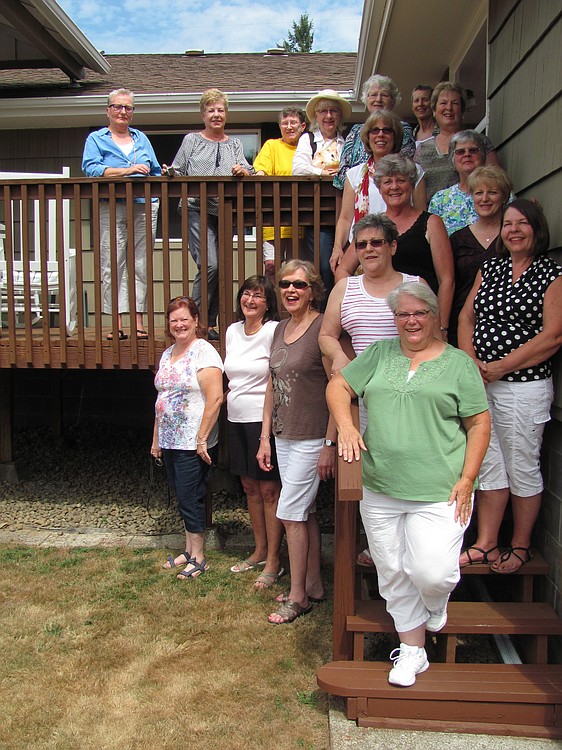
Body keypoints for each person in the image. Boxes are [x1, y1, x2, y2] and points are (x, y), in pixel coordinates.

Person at [327, 281, 490, 686]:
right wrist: (346, 426)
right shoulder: (380, 354)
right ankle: (413, 651)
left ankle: (435, 603)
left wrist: (468, 478)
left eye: (419, 313)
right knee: (393, 571)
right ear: (395, 320)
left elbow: (479, 423)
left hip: (439, 490)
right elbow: (338, 386)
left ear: (435, 317)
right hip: (380, 486)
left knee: (432, 572)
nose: (411, 321)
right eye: (403, 314)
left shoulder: (459, 364)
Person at [458, 199, 562, 573]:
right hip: (481, 383)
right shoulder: (492, 267)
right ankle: (486, 543)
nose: (514, 230)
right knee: (488, 464)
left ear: (537, 230)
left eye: (522, 224)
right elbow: (466, 316)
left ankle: (519, 546)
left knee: (521, 466)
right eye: (508, 224)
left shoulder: (552, 274)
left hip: (523, 387)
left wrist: (501, 367)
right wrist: (471, 362)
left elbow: (552, 336)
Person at [320, 213, 422, 569]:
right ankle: (379, 548)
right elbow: (327, 334)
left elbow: (432, 337)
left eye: (376, 242)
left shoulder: (413, 284)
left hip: (408, 397)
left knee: (406, 467)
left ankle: (412, 550)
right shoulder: (345, 288)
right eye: (360, 244)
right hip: (362, 398)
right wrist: (340, 359)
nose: (368, 249)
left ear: (392, 246)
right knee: (370, 474)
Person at [257, 260, 336, 623]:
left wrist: (330, 443)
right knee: (305, 512)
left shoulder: (323, 328)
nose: (291, 290)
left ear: (313, 291)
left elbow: (341, 385)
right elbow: (272, 385)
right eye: (285, 284)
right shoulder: (279, 329)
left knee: (289, 512)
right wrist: (264, 437)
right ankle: (315, 584)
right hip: (283, 435)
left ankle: (298, 596)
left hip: (312, 435)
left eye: (300, 285)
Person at [165, 89, 255, 341]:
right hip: (196, 209)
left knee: (220, 268)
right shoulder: (192, 140)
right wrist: (169, 172)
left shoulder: (235, 144)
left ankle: (210, 323)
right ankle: (197, 321)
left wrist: (243, 171)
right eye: (211, 110)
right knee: (210, 264)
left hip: (224, 213)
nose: (216, 115)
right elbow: (178, 170)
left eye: (221, 110)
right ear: (203, 114)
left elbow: (249, 170)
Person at [334, 154, 454, 340]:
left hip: (418, 318)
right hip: (379, 318)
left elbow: (446, 279)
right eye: (387, 182)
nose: (394, 187)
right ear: (380, 188)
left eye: (401, 180)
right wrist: (355, 302)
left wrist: (442, 327)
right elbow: (343, 270)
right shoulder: (372, 226)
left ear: (412, 185)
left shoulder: (431, 223)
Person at [152, 296, 223, 579]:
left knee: (190, 497)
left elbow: (215, 398)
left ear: (196, 321)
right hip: (169, 439)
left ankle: (200, 556)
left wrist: (202, 439)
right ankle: (188, 550)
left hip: (192, 442)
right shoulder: (168, 353)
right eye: (174, 321)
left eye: (185, 319)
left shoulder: (204, 352)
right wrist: (155, 439)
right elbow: (161, 399)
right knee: (181, 496)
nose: (179, 325)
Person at [82, 88, 161, 341]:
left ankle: (137, 323)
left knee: (140, 264)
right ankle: (115, 324)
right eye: (117, 106)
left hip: (143, 206)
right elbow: (91, 169)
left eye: (128, 108)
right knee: (112, 264)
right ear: (108, 110)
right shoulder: (96, 138)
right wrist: (126, 171)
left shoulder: (141, 138)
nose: (122, 112)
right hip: (111, 205)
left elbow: (156, 170)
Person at [224, 276, 284, 588]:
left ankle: (275, 559)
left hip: (264, 422)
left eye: (258, 296)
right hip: (235, 418)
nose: (250, 300)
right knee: (249, 487)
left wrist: (266, 432)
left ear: (268, 303)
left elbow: (275, 377)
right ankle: (259, 549)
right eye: (246, 294)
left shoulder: (273, 330)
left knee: (269, 490)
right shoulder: (232, 331)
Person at [329, 112, 426, 274]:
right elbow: (345, 219)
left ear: (395, 137)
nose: (380, 134)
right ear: (367, 137)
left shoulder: (413, 172)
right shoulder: (354, 175)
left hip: (401, 251)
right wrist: (337, 248)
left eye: (386, 130)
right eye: (375, 130)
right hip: (363, 252)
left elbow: (421, 215)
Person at [292, 89, 351, 296]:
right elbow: (298, 168)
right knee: (326, 267)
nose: (328, 116)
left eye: (333, 111)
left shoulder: (348, 142)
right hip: (320, 212)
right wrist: (322, 172)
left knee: (349, 265)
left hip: (346, 210)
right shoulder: (308, 139)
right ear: (316, 116)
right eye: (323, 111)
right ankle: (326, 311)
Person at [448, 166, 513, 346]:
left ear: (504, 197)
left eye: (492, 192)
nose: (484, 199)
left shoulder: (512, 237)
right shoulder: (458, 239)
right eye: (478, 193)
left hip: (502, 321)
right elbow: (448, 282)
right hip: (461, 322)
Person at [414, 81, 499, 202]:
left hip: (472, 213)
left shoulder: (479, 142)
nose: (449, 108)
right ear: (434, 110)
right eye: (443, 103)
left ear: (462, 110)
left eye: (455, 103)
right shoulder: (422, 149)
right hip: (432, 215)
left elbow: (496, 181)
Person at [333, 74, 416, 190]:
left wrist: (379, 185)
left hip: (394, 191)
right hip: (358, 192)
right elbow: (343, 169)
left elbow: (405, 165)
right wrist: (357, 186)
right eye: (373, 95)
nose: (378, 99)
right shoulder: (356, 131)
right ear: (366, 100)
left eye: (384, 95)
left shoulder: (403, 129)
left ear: (393, 101)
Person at [253, 107, 307, 283]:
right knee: (271, 267)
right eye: (285, 123)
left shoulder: (307, 148)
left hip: (299, 219)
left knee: (294, 271)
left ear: (303, 126)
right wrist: (258, 175)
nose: (289, 127)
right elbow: (261, 169)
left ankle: (290, 310)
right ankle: (271, 307)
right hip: (273, 218)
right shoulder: (272, 145)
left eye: (294, 123)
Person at [428, 130, 486, 236]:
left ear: (482, 156)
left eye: (473, 150)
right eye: (460, 152)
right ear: (452, 159)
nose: (467, 155)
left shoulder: (497, 193)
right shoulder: (440, 200)